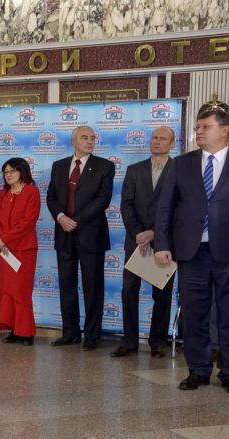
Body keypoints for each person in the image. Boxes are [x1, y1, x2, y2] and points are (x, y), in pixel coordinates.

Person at [154, 102, 229, 391]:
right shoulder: (182, 163)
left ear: (225, 130)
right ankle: (198, 369)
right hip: (191, 252)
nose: (199, 131)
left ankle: (227, 371)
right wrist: (162, 244)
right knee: (194, 313)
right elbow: (166, 206)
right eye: (198, 127)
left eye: (206, 126)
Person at [46, 125, 115, 350]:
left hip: (91, 234)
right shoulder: (59, 166)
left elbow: (102, 199)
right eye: (85, 137)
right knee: (67, 286)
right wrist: (60, 217)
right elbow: (51, 196)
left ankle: (92, 335)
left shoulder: (105, 166)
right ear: (73, 141)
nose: (90, 141)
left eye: (93, 138)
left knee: (92, 287)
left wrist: (75, 220)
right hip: (63, 233)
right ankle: (70, 333)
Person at [111, 127, 176, 358]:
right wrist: (140, 233)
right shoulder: (134, 169)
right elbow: (126, 205)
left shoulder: (179, 171)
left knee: (163, 294)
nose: (157, 141)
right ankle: (129, 341)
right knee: (129, 291)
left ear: (172, 144)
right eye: (154, 138)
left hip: (165, 242)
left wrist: (154, 233)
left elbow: (180, 209)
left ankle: (158, 342)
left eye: (163, 139)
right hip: (136, 241)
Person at [0, 158, 41, 346]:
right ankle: (13, 329)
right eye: (6, 172)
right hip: (3, 250)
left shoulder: (32, 191)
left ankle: (26, 332)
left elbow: (28, 221)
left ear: (22, 172)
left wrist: (6, 238)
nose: (8, 175)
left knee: (21, 291)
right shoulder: (3, 193)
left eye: (12, 171)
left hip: (23, 250)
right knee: (6, 290)